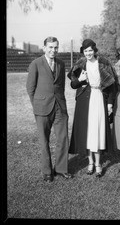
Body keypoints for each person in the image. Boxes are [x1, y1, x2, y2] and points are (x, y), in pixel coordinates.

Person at [67, 39, 116, 178]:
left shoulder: (103, 63)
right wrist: (80, 80)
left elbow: (112, 85)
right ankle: (90, 163)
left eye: (90, 50)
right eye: (85, 51)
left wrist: (110, 103)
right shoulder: (80, 64)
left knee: (98, 130)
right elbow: (73, 85)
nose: (88, 53)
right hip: (84, 100)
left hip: (99, 97)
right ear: (83, 52)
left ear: (94, 51)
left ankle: (99, 164)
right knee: (87, 131)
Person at [26, 36, 71, 183]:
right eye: (50, 47)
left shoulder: (61, 63)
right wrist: (37, 105)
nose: (53, 50)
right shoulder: (36, 64)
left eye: (56, 47)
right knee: (44, 141)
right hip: (42, 108)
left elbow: (61, 86)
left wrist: (61, 103)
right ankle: (47, 172)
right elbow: (30, 88)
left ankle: (61, 169)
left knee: (63, 138)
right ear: (44, 48)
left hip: (59, 107)